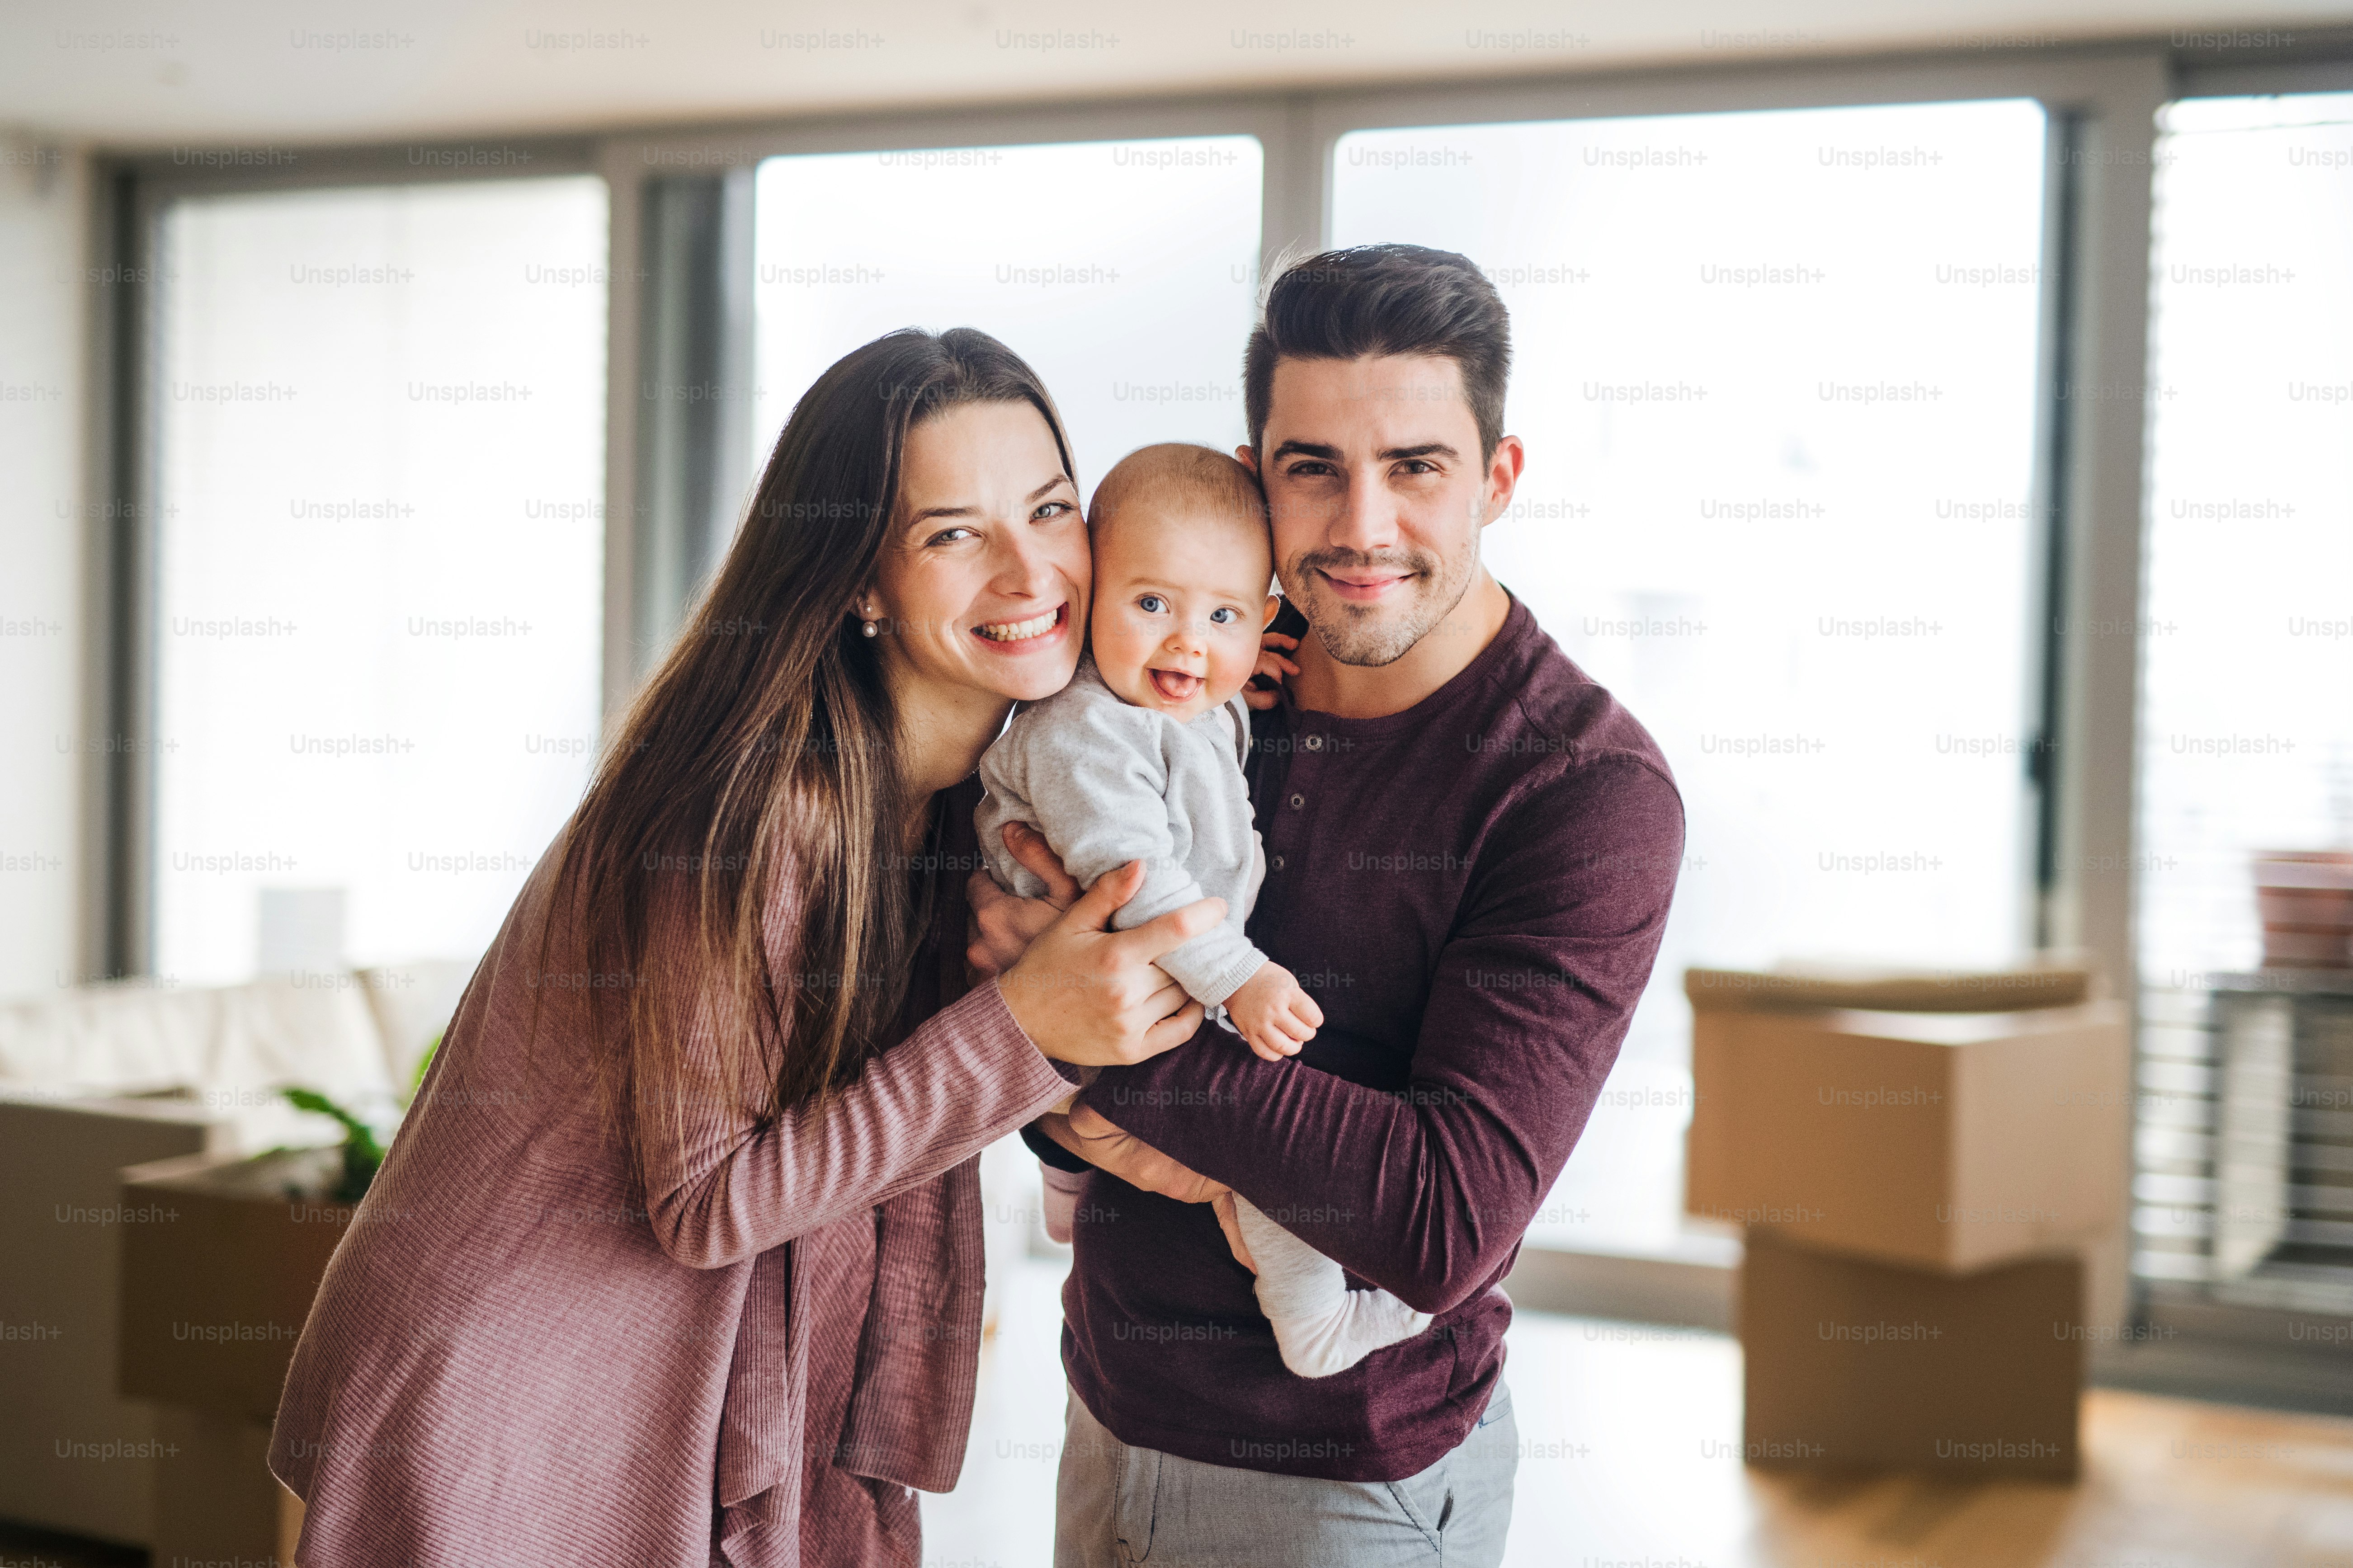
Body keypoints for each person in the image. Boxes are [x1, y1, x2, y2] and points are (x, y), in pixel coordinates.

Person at [268, 327, 1223, 1568]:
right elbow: (710, 1199)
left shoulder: (969, 805)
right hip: (514, 1398)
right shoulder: (759, 807)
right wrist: (1022, 1027)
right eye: (953, 534)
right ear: (860, 581)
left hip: (656, 1376)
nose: (1029, 569)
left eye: (1048, 509)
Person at [970, 245, 1688, 1566]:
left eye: (1414, 466)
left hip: (1345, 1486)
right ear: (1257, 478)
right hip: (1103, 1409)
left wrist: (1073, 1023)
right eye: (1313, 468)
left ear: (1497, 479)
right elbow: (996, 1008)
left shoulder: (1581, 790)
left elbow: (1438, 1218)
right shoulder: (1189, 682)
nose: (1361, 524)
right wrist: (1038, 1046)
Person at [976, 441, 1433, 1379]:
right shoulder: (1086, 729)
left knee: (1146, 1136)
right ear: (1089, 596)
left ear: (1262, 619)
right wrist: (1243, 977)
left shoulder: (1188, 701)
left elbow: (1195, 761)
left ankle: (1067, 1184)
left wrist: (1236, 688)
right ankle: (1313, 1324)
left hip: (1117, 999)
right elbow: (1133, 871)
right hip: (1108, 988)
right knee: (1267, 1159)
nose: (1187, 642)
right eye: (1151, 605)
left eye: (1221, 616)